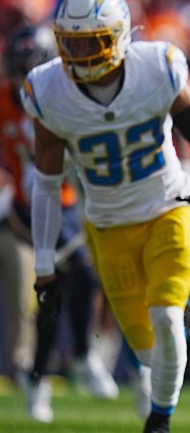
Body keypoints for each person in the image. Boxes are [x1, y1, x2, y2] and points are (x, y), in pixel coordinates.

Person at [21, 0, 190, 433]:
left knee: (166, 314)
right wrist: (44, 262)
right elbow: (45, 183)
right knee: (147, 351)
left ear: (119, 39)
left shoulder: (156, 67)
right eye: (70, 44)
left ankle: (159, 422)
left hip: (169, 206)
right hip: (107, 224)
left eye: (90, 43)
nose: (79, 56)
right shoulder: (48, 90)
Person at [2, 25, 119, 423]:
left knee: (62, 287)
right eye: (17, 70)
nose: (22, 81)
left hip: (67, 203)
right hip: (26, 206)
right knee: (77, 278)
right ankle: (81, 359)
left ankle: (40, 379)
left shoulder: (63, 98)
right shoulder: (5, 102)